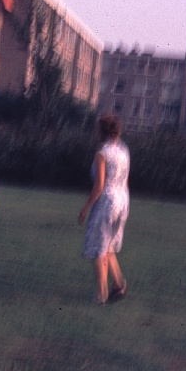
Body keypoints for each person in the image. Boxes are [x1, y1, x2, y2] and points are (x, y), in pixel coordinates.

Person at [78, 114, 130, 304]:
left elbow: (99, 186)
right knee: (108, 246)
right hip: (123, 201)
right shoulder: (124, 151)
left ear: (102, 131)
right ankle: (118, 285)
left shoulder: (102, 153)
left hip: (106, 203)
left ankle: (101, 294)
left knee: (97, 249)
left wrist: (85, 207)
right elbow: (125, 181)